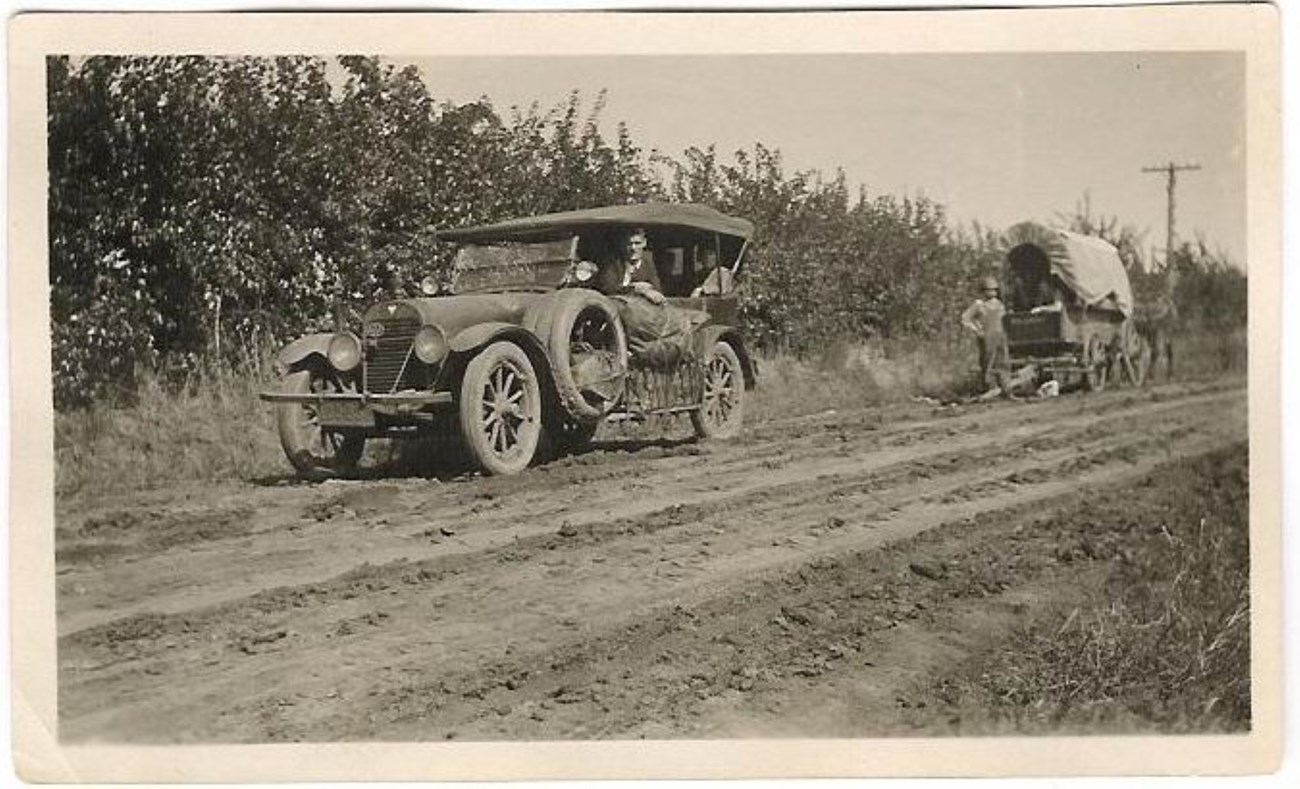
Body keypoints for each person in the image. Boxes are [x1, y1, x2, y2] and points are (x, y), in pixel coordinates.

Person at [961, 275, 1010, 395]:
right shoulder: (979, 304)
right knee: (987, 362)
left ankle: (1005, 387)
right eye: (989, 290)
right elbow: (965, 318)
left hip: (1000, 335)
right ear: (983, 291)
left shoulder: (999, 304)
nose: (992, 292)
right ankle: (989, 387)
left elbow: (1004, 319)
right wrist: (977, 330)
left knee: (1003, 360)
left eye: (994, 290)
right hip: (987, 336)